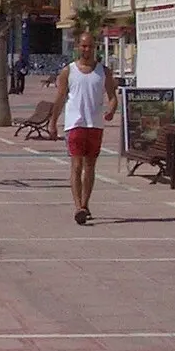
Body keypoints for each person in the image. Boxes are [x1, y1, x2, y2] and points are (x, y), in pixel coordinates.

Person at [51, 32, 117, 225]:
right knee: (76, 165)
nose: (86, 50)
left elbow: (112, 96)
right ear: (78, 47)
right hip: (75, 124)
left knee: (90, 167)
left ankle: (86, 204)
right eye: (83, 46)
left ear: (94, 47)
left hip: (95, 124)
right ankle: (78, 206)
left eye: (89, 46)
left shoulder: (103, 72)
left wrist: (111, 110)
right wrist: (53, 122)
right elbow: (60, 97)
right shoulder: (68, 71)